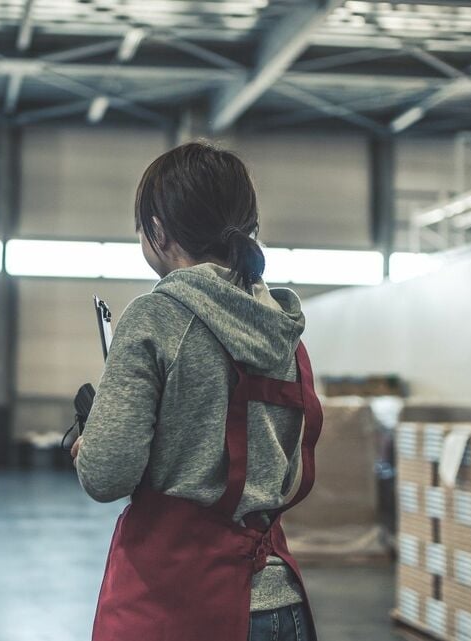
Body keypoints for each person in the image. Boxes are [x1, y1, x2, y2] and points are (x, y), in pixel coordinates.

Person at [70, 141, 324, 641]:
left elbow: (106, 475)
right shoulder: (284, 329)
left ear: (158, 230)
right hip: (280, 603)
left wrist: (92, 446)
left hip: (182, 601)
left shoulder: (156, 316)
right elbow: (282, 467)